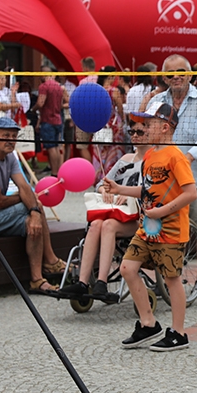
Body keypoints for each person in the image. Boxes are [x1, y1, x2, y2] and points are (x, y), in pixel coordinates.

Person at [105, 103, 196, 351]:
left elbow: (190, 193)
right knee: (127, 267)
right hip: (148, 228)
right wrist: (119, 189)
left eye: (149, 124)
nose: (143, 128)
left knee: (171, 278)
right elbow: (146, 189)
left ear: (165, 127)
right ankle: (148, 323)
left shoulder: (175, 156)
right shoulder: (149, 156)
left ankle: (179, 333)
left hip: (171, 230)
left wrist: (162, 211)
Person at [0, 117, 66, 295]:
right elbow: (0, 202)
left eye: (14, 136)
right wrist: (29, 204)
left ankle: (37, 280)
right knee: (37, 206)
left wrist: (32, 211)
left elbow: (24, 186)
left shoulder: (9, 157)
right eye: (5, 136)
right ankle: (51, 261)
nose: (10, 140)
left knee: (32, 220)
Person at [57, 116, 153, 300]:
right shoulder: (126, 159)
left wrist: (127, 191)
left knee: (108, 225)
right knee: (96, 224)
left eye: (140, 132)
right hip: (118, 212)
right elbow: (102, 182)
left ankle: (102, 282)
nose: (135, 136)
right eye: (132, 132)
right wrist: (105, 190)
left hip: (141, 217)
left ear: (150, 133)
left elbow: (154, 190)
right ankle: (82, 283)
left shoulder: (155, 161)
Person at [148, 55, 197, 266]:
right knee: (166, 229)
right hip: (164, 179)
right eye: (170, 73)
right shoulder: (155, 102)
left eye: (181, 72)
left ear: (190, 74)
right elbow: (147, 136)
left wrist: (183, 159)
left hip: (196, 178)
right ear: (164, 78)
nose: (176, 76)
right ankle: (169, 274)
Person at [36, 68, 66, 176]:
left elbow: (40, 103)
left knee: (51, 147)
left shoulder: (44, 86)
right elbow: (64, 103)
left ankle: (54, 172)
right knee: (57, 147)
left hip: (48, 120)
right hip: (58, 119)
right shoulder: (59, 87)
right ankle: (58, 172)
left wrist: (33, 109)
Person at [74, 57, 98, 161]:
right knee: (98, 146)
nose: (82, 70)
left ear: (86, 67)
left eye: (82, 67)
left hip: (84, 117)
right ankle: (97, 170)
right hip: (98, 116)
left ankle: (91, 170)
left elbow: (79, 101)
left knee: (82, 146)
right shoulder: (100, 79)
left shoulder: (83, 82)